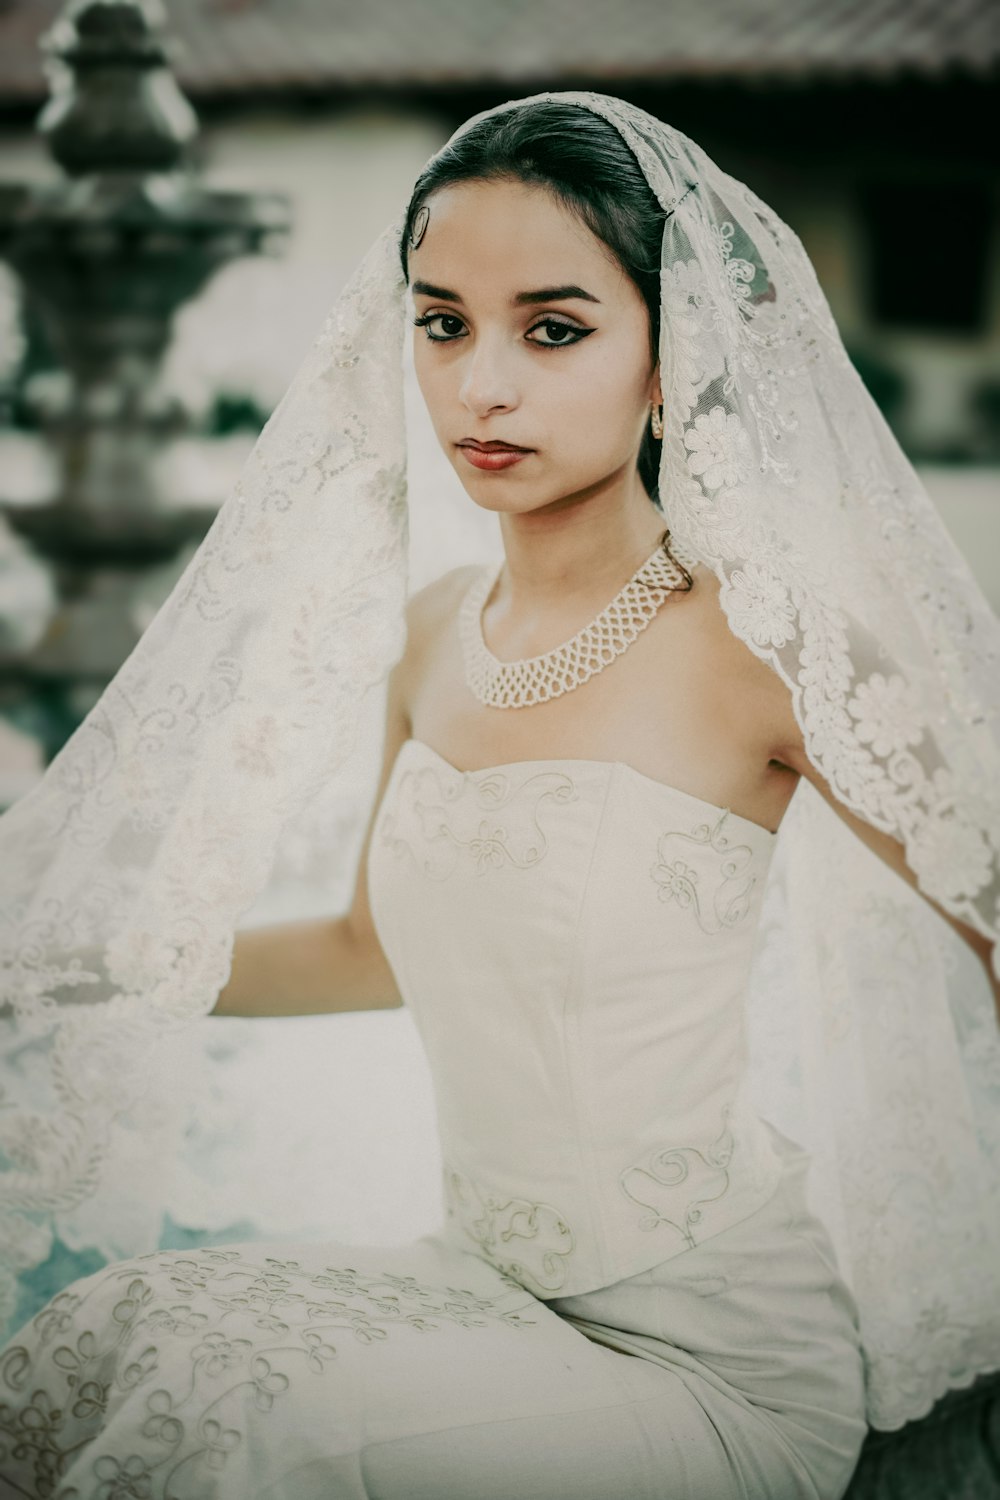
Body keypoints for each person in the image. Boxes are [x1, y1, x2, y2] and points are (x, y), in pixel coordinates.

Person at [0, 92, 998, 1500]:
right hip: (484, 1290)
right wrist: (66, 967)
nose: (483, 385)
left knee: (232, 1433)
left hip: (713, 1365)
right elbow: (363, 951)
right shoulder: (428, 634)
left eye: (555, 327)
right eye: (442, 322)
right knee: (104, 1336)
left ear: (673, 354)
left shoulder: (765, 648)